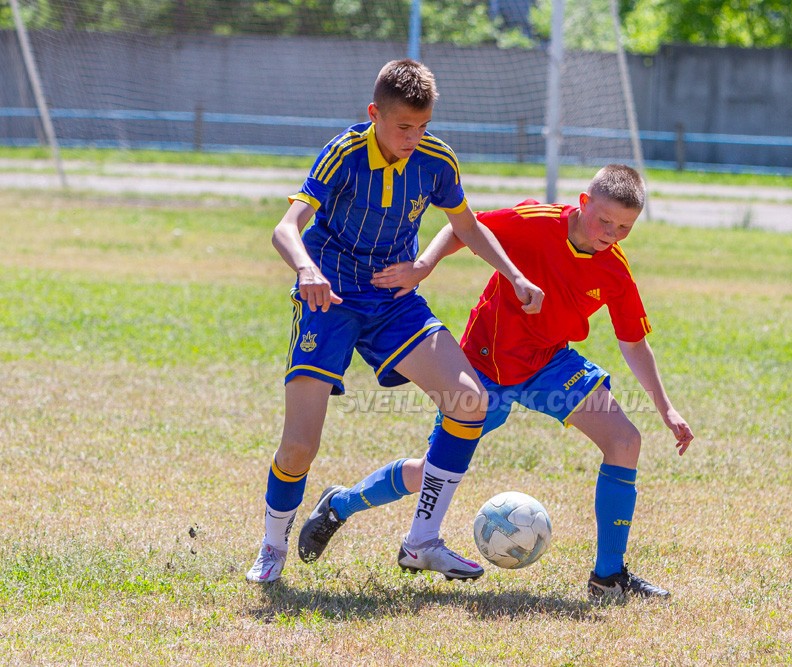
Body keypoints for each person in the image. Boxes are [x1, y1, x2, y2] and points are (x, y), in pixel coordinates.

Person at [298, 164, 694, 599]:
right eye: (605, 220)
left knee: (624, 441)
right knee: (435, 471)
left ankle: (608, 576)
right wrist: (423, 265)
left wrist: (667, 408)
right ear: (583, 203)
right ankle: (340, 505)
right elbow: (465, 228)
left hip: (549, 363)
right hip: (484, 365)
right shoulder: (534, 222)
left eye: (624, 228)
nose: (611, 234)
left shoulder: (615, 270)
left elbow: (634, 344)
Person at [245, 59, 544, 584]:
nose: (414, 137)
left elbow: (467, 228)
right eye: (404, 126)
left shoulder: (436, 160)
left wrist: (514, 276)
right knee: (299, 446)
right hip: (329, 298)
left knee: (469, 400)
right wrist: (306, 268)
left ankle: (422, 541)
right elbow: (286, 228)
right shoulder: (343, 154)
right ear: (375, 114)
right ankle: (272, 547)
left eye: (423, 126)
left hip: (393, 298)